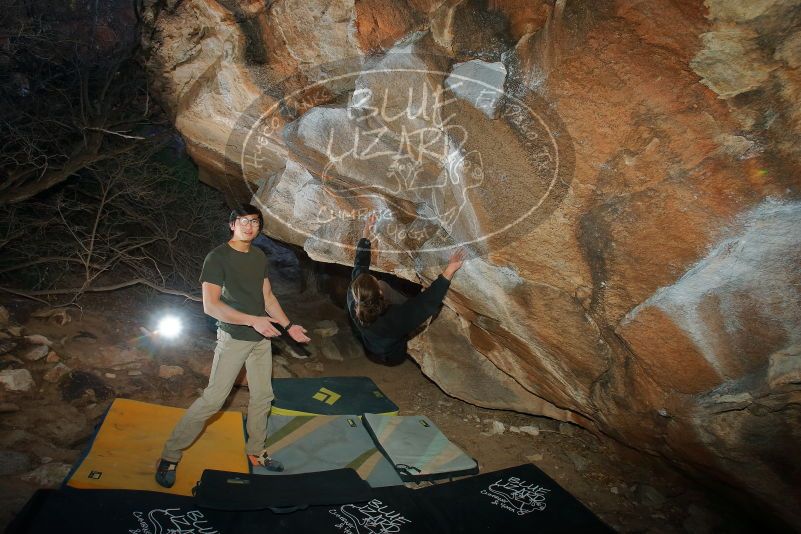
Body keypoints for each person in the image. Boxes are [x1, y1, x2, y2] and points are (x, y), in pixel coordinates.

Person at [155, 203, 311, 488]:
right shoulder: (217, 258)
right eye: (243, 221)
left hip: (262, 339)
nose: (249, 226)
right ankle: (170, 454)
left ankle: (256, 451)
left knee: (263, 397)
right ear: (232, 225)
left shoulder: (258, 256)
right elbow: (211, 306)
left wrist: (289, 327)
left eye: (255, 222)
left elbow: (268, 298)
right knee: (213, 400)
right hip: (234, 339)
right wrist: (253, 320)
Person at [348, 214, 465, 366]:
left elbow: (360, 264)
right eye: (375, 283)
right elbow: (425, 305)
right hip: (392, 355)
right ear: (380, 295)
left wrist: (366, 231)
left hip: (371, 345)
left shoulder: (353, 300)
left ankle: (400, 295)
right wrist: (450, 270)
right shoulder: (395, 319)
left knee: (384, 283)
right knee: (419, 301)